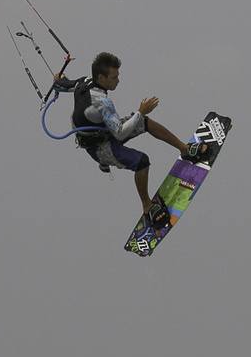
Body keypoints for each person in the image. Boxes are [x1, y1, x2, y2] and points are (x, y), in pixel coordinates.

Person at [53, 52, 208, 227]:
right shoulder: (103, 102)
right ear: (101, 77)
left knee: (144, 123)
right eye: (114, 77)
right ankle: (147, 206)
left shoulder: (84, 81)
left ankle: (185, 149)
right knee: (142, 161)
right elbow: (119, 134)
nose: (118, 81)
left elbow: (60, 85)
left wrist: (60, 78)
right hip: (98, 146)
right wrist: (141, 111)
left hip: (103, 131)